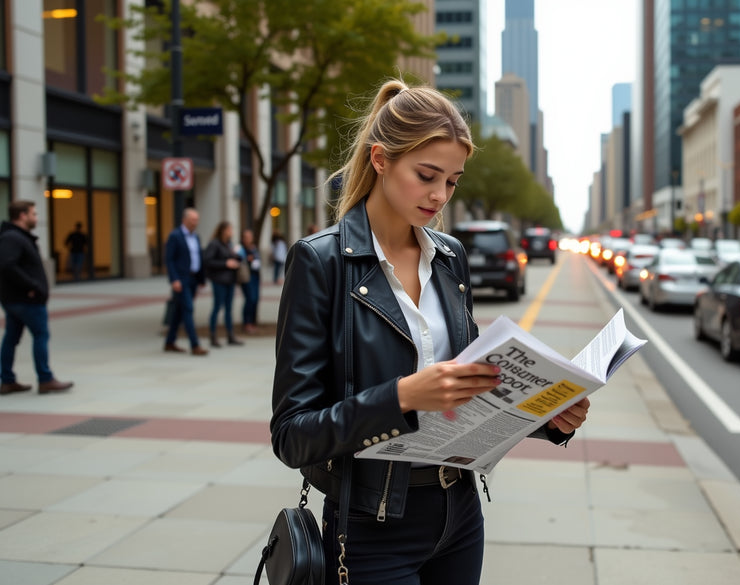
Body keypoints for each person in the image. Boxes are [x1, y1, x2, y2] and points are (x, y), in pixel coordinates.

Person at [270, 79, 590, 585]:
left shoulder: (450, 258)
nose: (440, 195)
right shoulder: (321, 262)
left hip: (459, 516)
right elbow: (291, 435)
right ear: (380, 160)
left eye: (453, 181)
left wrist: (548, 415)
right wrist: (401, 397)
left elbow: (475, 388)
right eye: (427, 176)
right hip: (370, 526)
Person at [0, 200, 74, 395]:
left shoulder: (17, 237)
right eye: (33, 214)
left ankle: (8, 380)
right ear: (22, 216)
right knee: (40, 336)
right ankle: (45, 378)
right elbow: (8, 265)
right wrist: (31, 286)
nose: (36, 218)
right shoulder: (13, 238)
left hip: (17, 299)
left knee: (11, 338)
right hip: (25, 300)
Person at [164, 207, 208, 356]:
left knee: (178, 312)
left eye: (197, 220)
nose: (195, 223)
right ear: (185, 220)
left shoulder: (196, 237)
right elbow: (169, 260)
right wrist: (174, 279)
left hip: (193, 279)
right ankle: (195, 345)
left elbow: (199, 259)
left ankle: (169, 342)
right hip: (181, 280)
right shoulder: (175, 236)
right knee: (188, 309)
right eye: (192, 220)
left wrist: (202, 279)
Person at [204, 221, 243, 347]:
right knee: (217, 307)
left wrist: (237, 257)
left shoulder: (229, 244)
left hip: (230, 280)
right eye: (229, 229)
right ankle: (213, 335)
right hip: (219, 281)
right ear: (223, 230)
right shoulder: (214, 244)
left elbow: (234, 259)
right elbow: (208, 261)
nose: (231, 232)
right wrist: (226, 263)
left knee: (229, 309)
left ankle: (230, 335)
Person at [237, 228, 261, 334]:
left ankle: (252, 322)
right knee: (250, 299)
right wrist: (247, 259)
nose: (249, 239)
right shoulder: (240, 249)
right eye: (246, 237)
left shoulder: (253, 248)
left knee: (255, 299)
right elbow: (238, 260)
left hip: (255, 276)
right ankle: (246, 323)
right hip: (246, 277)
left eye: (250, 237)